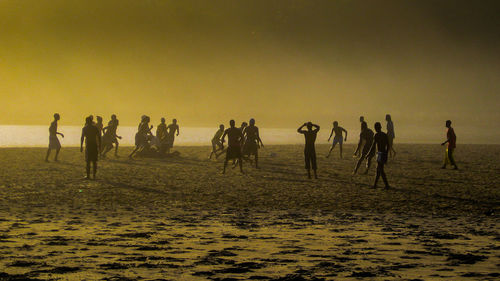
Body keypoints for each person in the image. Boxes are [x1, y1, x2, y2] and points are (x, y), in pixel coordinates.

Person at [368, 122, 390, 188]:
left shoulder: (376, 135)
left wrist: (368, 154)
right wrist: (386, 153)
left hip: (380, 153)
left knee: (380, 169)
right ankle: (375, 185)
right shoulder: (384, 135)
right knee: (378, 169)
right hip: (382, 153)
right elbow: (388, 145)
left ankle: (386, 185)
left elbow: (373, 146)